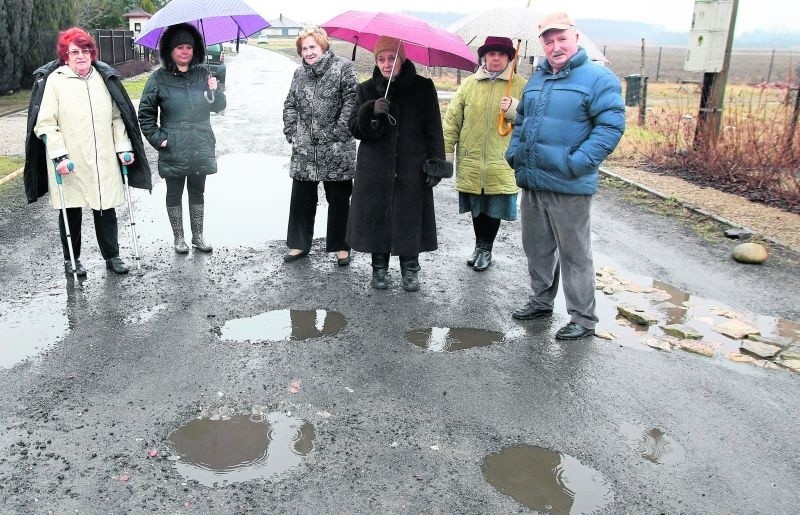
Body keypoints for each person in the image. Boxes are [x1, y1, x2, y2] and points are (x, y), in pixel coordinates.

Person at [505, 12, 625, 340]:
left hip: (569, 185)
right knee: (536, 247)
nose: (555, 46)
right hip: (533, 180)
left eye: (561, 39)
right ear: (542, 44)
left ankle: (583, 318)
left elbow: (611, 126)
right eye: (548, 41)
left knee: (574, 254)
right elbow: (522, 120)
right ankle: (541, 300)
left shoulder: (598, 80)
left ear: (575, 38)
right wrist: (514, 153)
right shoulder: (538, 79)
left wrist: (577, 162)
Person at [25, 27, 152, 276]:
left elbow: (117, 117)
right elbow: (46, 124)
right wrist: (59, 156)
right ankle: (72, 260)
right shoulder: (55, 81)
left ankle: (112, 256)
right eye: (74, 52)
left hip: (102, 157)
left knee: (106, 208)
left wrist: (123, 148)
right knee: (70, 209)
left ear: (92, 53)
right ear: (65, 55)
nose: (80, 56)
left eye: (85, 50)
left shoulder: (103, 78)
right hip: (70, 160)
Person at [347, 37, 451, 292]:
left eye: (392, 58)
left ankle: (410, 269)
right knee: (377, 217)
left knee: (409, 217)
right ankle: (379, 268)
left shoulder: (423, 87)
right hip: (375, 168)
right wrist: (370, 110)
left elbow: (434, 128)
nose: (386, 64)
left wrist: (436, 162)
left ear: (402, 60)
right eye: (381, 59)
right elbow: (355, 130)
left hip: (412, 164)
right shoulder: (366, 89)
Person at [138, 23, 226, 254]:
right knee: (174, 192)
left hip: (200, 142)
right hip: (173, 146)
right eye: (179, 47)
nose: (184, 51)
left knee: (198, 191)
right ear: (170, 51)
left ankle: (198, 236)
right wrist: (160, 139)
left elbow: (219, 107)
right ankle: (179, 238)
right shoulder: (158, 78)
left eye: (188, 46)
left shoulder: (203, 74)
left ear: (195, 49)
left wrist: (216, 90)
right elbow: (145, 115)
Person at [443, 36, 526, 272]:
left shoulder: (520, 85)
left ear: (510, 58)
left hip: (501, 159)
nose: (496, 58)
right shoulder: (469, 84)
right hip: (471, 158)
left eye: (501, 54)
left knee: (493, 206)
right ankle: (479, 246)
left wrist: (513, 111)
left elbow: (533, 122)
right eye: (491, 54)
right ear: (484, 57)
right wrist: (446, 156)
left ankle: (486, 249)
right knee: (477, 206)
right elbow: (452, 122)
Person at [282, 27, 358, 265]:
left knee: (339, 199)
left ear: (323, 46)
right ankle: (299, 244)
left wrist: (337, 133)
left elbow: (352, 101)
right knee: (302, 198)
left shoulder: (343, 67)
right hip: (305, 148)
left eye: (312, 47)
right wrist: (292, 130)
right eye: (304, 48)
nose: (308, 52)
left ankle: (342, 246)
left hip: (336, 147)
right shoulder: (299, 74)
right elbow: (290, 103)